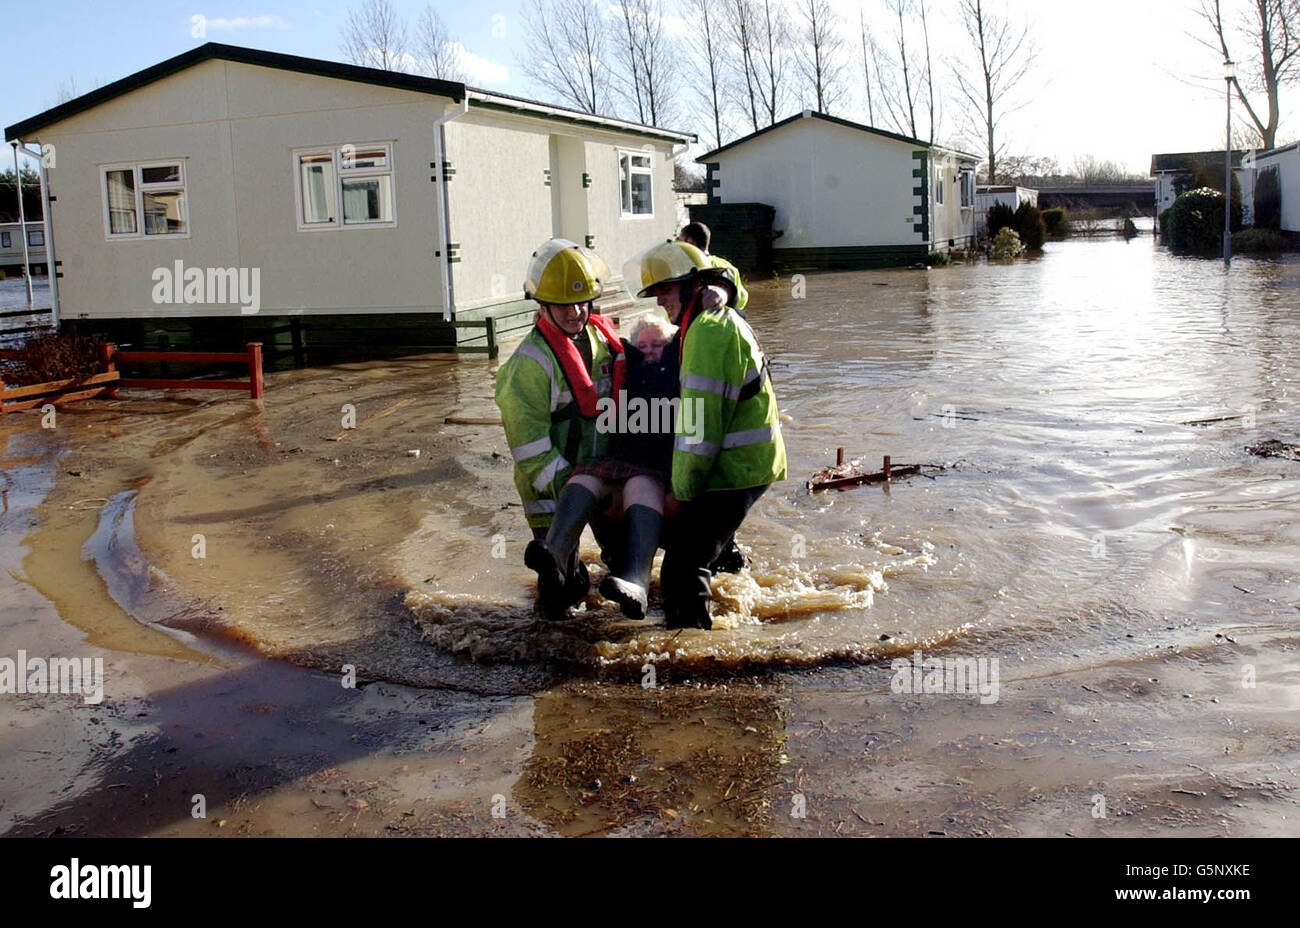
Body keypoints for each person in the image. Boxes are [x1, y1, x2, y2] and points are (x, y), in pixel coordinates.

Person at [629, 240, 786, 630]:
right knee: (704, 542)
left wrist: (680, 493)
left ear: (690, 285)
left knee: (682, 566)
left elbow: (699, 431)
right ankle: (735, 579)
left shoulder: (707, 333)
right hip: (747, 462)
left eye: (665, 291)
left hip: (738, 468)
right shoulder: (708, 320)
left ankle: (693, 651)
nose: (661, 302)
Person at [495, 238, 626, 614]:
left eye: (582, 301)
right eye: (564, 304)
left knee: (623, 560)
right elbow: (531, 452)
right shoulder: (527, 367)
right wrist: (578, 492)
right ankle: (549, 647)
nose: (576, 312)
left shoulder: (602, 338)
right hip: (551, 487)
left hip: (601, 473)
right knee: (559, 585)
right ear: (541, 305)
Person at [527, 315, 680, 620]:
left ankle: (637, 583)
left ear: (671, 346)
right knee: (586, 472)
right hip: (621, 461)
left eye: (657, 345)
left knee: (640, 484)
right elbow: (589, 342)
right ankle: (554, 552)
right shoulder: (627, 366)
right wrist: (545, 321)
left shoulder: (681, 371)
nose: (649, 351)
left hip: (656, 469)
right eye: (643, 345)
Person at [677, 221, 748, 313]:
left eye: (680, 242)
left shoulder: (686, 268)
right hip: (728, 321)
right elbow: (742, 299)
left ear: (690, 241)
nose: (679, 247)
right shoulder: (729, 267)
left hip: (700, 324)